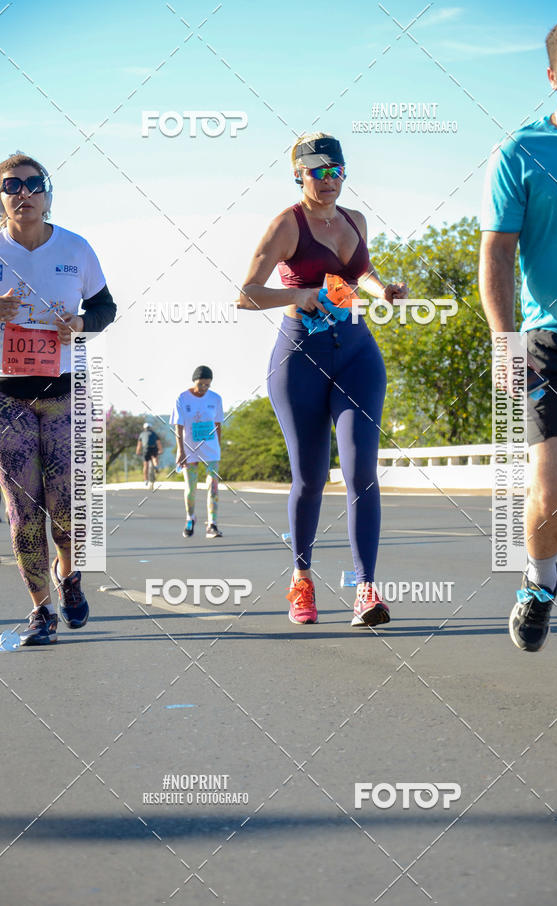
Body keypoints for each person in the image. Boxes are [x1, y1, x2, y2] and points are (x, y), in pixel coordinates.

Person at [239, 132, 407, 627]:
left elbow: (361, 272)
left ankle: (366, 590)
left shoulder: (355, 220)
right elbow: (246, 294)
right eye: (319, 172)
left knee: (360, 475)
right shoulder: (285, 227)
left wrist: (382, 290)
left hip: (356, 352)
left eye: (337, 171)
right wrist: (299, 295)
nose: (330, 180)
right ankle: (302, 579)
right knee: (311, 478)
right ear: (298, 174)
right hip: (300, 359)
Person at [479, 16, 557, 651]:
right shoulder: (522, 152)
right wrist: (506, 343)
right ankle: (540, 577)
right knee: (554, 497)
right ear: (553, 75)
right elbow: (497, 256)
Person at [0, 152, 116, 645]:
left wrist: (83, 325)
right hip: (7, 398)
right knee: (24, 510)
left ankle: (69, 577)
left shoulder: (76, 247)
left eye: (32, 184)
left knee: (67, 505)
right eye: (11, 185)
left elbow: (106, 306)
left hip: (64, 392)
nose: (23, 193)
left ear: (47, 193)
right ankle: (40, 610)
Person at [170, 365, 224, 539]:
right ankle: (190, 518)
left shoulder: (215, 398)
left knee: (213, 486)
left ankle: (212, 525)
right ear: (194, 381)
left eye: (207, 385)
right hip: (189, 448)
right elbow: (178, 425)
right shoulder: (182, 398)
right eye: (201, 384)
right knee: (191, 487)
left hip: (211, 448)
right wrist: (180, 450)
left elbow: (218, 425)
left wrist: (219, 447)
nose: (204, 388)